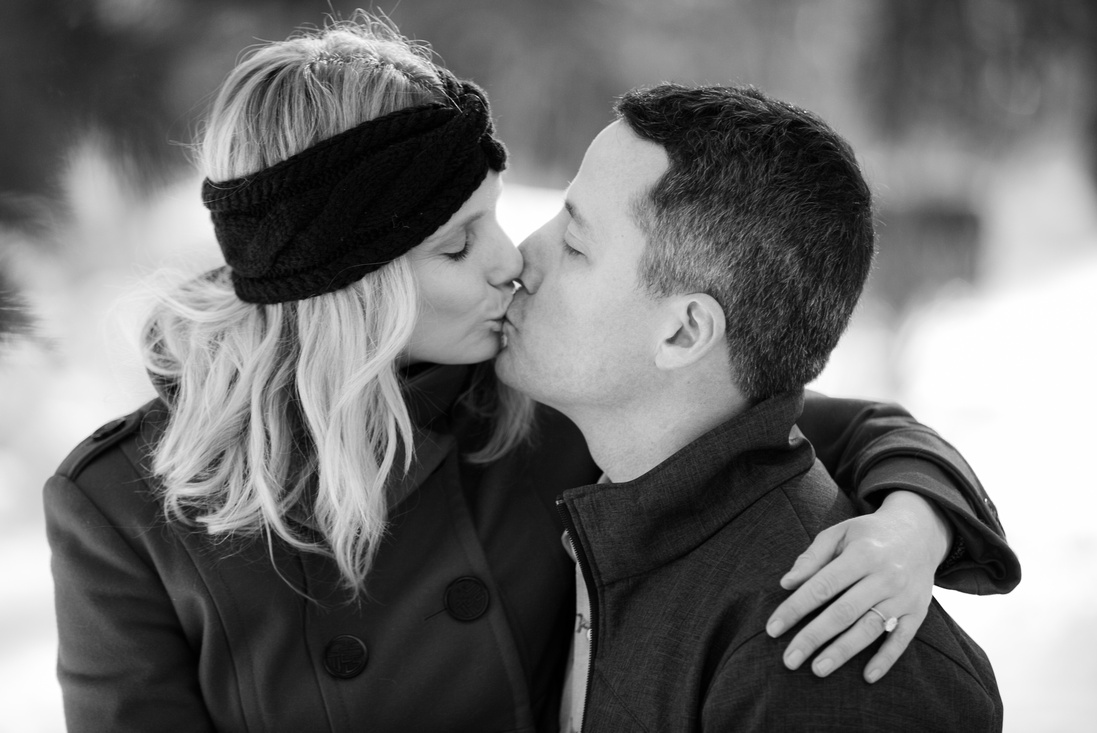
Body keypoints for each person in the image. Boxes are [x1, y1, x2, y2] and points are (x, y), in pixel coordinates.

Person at [44, 14, 1017, 733]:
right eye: (459, 243)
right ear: (349, 282)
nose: (509, 260)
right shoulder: (124, 512)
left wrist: (909, 522)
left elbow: (773, 419)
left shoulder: (536, 400)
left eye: (497, 215)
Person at [494, 83, 1006, 732]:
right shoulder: (625, 499)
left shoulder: (823, 655)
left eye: (575, 244)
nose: (521, 255)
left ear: (683, 333)